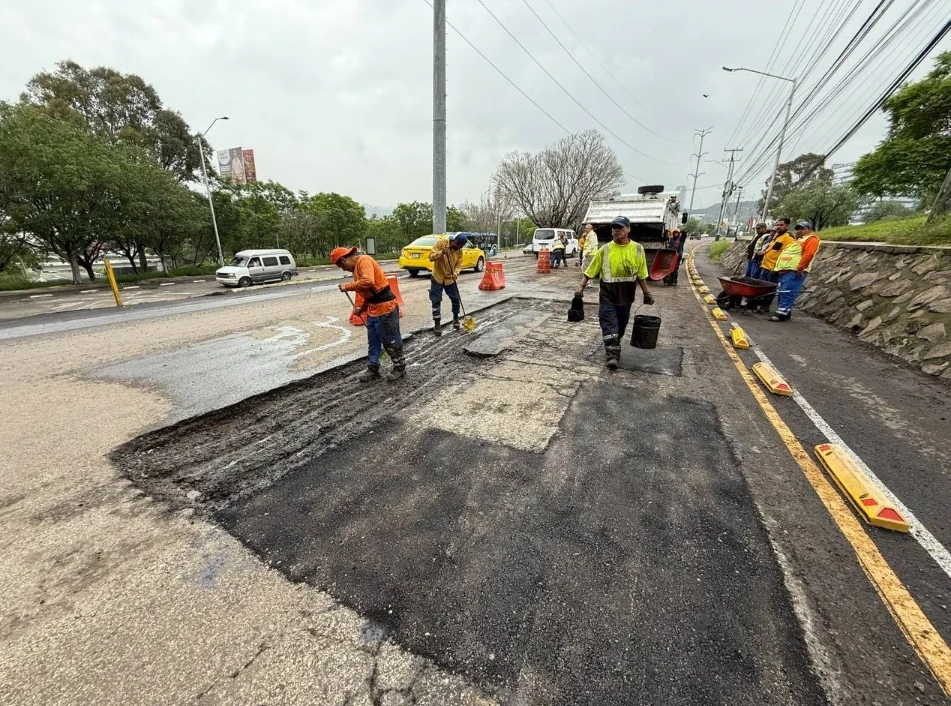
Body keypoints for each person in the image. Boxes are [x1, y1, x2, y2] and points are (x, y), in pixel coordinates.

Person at [575, 216, 655, 370]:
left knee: (621, 324)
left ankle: (614, 344)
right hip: (608, 295)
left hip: (626, 295)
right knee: (609, 322)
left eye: (620, 227)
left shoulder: (638, 249)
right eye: (614, 228)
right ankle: (612, 355)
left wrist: (647, 293)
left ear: (628, 229)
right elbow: (591, 270)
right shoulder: (604, 250)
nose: (616, 230)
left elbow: (641, 274)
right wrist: (581, 287)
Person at [332, 246, 406, 381]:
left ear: (343, 260)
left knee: (390, 340)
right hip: (373, 308)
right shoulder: (356, 269)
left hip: (386, 307)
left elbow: (368, 281)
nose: (343, 269)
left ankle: (400, 367)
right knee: (373, 341)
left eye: (341, 266)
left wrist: (347, 286)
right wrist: (362, 307)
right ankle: (373, 368)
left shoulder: (364, 260)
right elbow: (369, 292)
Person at [770, 220, 820, 322]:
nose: (799, 231)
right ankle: (785, 311)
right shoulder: (798, 240)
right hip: (786, 270)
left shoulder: (812, 239)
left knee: (788, 291)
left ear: (809, 230)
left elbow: (808, 255)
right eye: (797, 229)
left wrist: (800, 268)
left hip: (795, 270)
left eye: (802, 229)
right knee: (783, 291)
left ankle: (782, 314)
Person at [428, 232, 467, 336]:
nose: (460, 248)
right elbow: (431, 257)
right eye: (459, 245)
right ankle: (437, 324)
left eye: (461, 247)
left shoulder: (459, 251)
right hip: (438, 277)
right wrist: (441, 253)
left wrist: (455, 273)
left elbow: (459, 264)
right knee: (436, 300)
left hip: (450, 279)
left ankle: (455, 318)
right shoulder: (441, 243)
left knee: (455, 298)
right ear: (455, 241)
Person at [758, 217, 795, 282]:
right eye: (777, 225)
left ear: (787, 225)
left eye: (781, 225)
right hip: (765, 267)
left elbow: (787, 255)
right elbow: (771, 250)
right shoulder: (777, 236)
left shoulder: (789, 238)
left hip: (773, 270)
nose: (778, 227)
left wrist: (778, 269)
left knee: (769, 289)